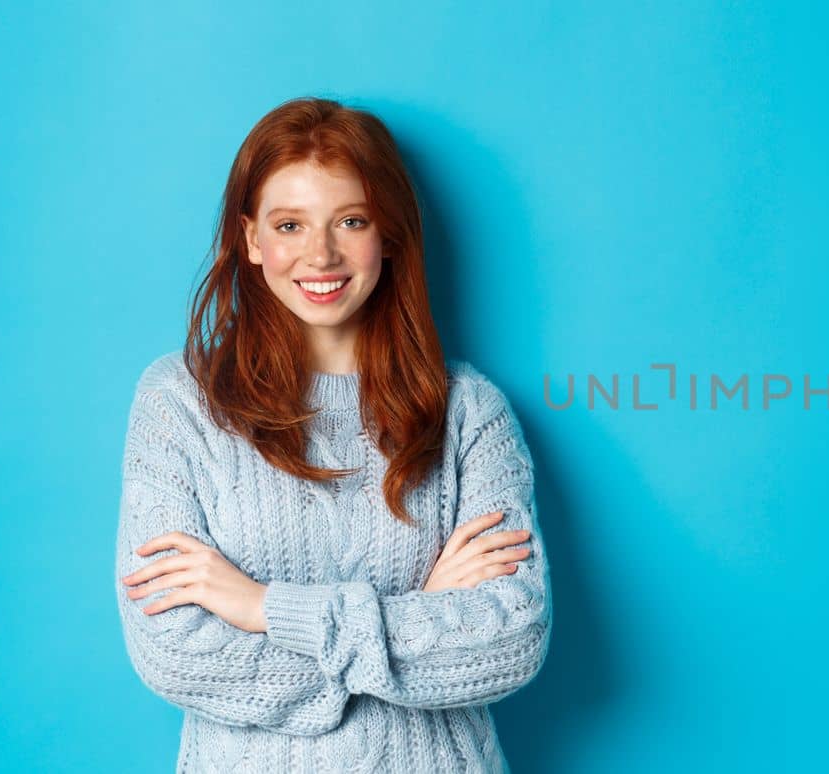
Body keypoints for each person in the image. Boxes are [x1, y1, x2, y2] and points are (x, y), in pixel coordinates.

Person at [114, 96, 551, 773]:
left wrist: (262, 607)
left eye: (351, 221)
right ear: (252, 238)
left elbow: (511, 638)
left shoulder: (468, 409)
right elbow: (172, 652)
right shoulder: (179, 404)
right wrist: (424, 614)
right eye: (290, 224)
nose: (320, 255)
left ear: (389, 235)